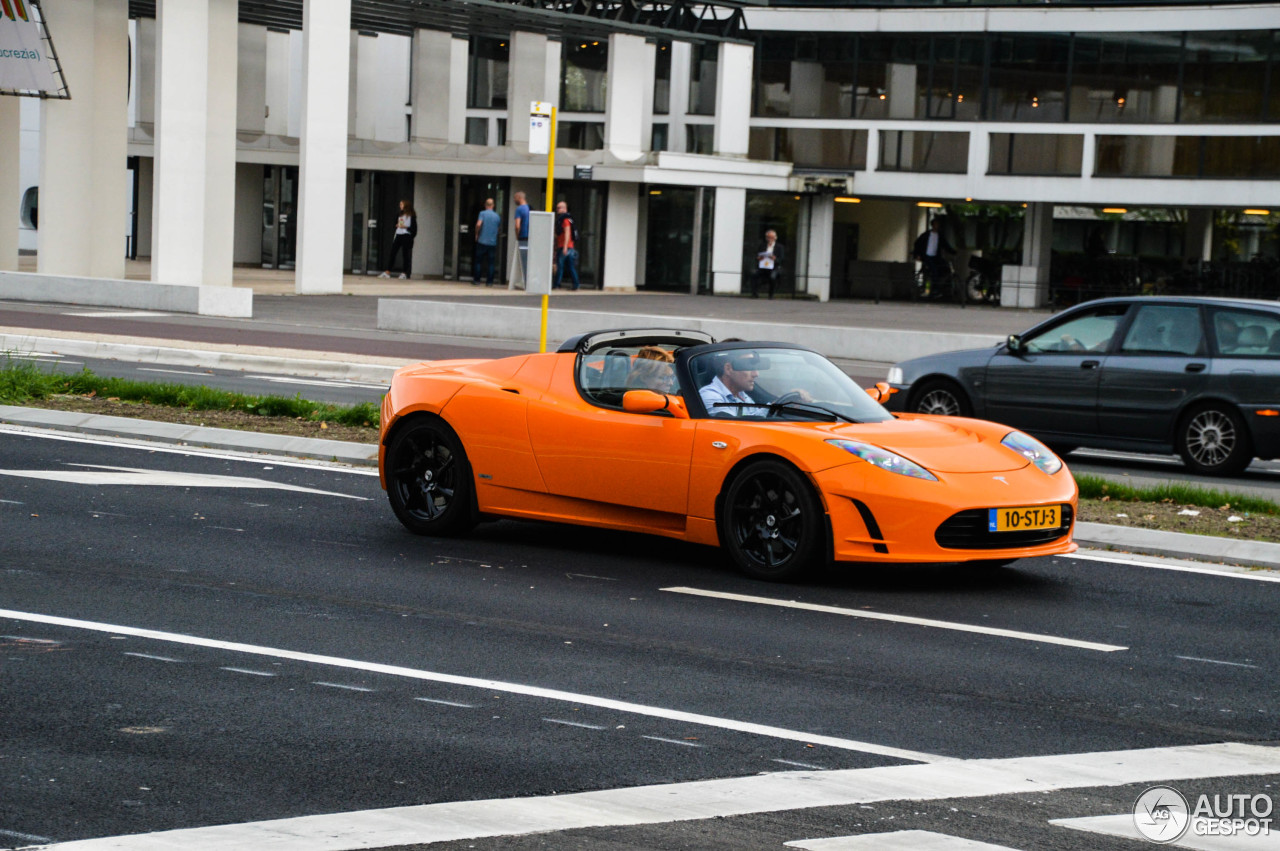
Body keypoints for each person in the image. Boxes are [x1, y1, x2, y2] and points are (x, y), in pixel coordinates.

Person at [699, 351, 768, 417]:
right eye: (748, 367)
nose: (756, 374)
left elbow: (755, 416)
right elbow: (735, 426)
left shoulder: (741, 394)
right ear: (728, 369)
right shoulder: (710, 396)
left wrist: (774, 407)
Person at [913, 218, 954, 296]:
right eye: (935, 224)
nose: (936, 226)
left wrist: (953, 252)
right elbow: (917, 243)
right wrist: (917, 254)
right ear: (932, 225)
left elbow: (945, 245)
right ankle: (935, 289)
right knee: (934, 270)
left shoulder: (940, 235)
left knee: (945, 267)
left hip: (936, 256)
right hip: (927, 256)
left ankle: (944, 287)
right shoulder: (926, 235)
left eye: (937, 224)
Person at [379, 200, 417, 280]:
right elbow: (394, 224)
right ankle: (388, 271)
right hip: (399, 235)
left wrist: (406, 227)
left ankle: (404, 273)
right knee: (393, 252)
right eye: (400, 204)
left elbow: (414, 228)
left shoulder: (411, 216)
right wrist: (397, 225)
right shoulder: (399, 214)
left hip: (406, 235)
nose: (400, 206)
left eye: (402, 204)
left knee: (405, 254)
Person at [473, 198, 501, 286]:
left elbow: (478, 224)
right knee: (491, 263)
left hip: (482, 241)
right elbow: (497, 229)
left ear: (485, 205)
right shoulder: (497, 216)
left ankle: (477, 280)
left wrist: (477, 234)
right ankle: (489, 282)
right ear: (493, 206)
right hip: (492, 242)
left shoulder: (482, 214)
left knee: (478, 261)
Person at [553, 201, 580, 291]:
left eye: (559, 208)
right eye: (557, 208)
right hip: (569, 246)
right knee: (570, 266)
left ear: (565, 208)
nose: (557, 210)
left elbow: (567, 233)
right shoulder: (566, 219)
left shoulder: (564, 220)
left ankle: (557, 284)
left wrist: (564, 247)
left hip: (565, 246)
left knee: (560, 266)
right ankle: (576, 284)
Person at [752, 230, 785, 299]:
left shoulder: (779, 247)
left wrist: (775, 259)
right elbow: (757, 255)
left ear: (775, 238)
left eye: (772, 237)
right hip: (763, 266)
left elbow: (781, 259)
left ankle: (771, 294)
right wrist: (758, 258)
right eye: (768, 237)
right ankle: (755, 294)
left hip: (774, 267)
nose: (770, 239)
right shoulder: (762, 245)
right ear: (766, 238)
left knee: (772, 277)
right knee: (754, 274)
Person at [513, 191, 530, 281]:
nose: (514, 200)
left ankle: (525, 281)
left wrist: (517, 236)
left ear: (520, 198)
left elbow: (517, 225)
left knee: (523, 261)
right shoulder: (530, 208)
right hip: (531, 237)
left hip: (523, 237)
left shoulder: (519, 209)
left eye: (515, 198)